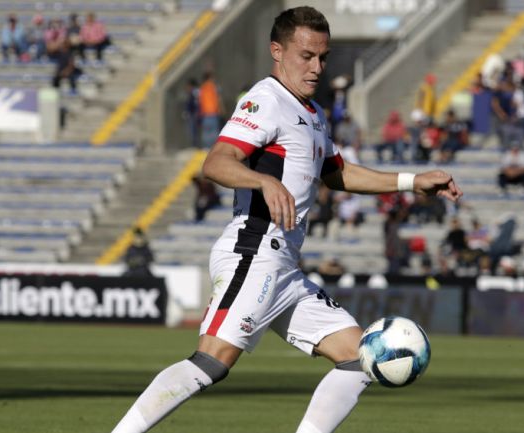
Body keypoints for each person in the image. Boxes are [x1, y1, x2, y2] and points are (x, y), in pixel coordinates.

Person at [109, 7, 462, 433]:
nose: (316, 67)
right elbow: (217, 162)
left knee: (360, 357)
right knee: (211, 363)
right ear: (277, 51)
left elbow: (337, 172)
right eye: (306, 55)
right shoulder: (266, 101)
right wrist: (262, 181)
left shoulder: (312, 112)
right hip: (254, 252)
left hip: (285, 269)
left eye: (323, 57)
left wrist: (411, 180)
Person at [198, 72, 222, 149]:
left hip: (205, 113)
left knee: (206, 132)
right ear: (209, 78)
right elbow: (217, 99)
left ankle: (206, 147)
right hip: (213, 112)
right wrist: (220, 109)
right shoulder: (213, 87)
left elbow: (200, 101)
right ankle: (214, 148)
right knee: (214, 131)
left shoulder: (202, 88)